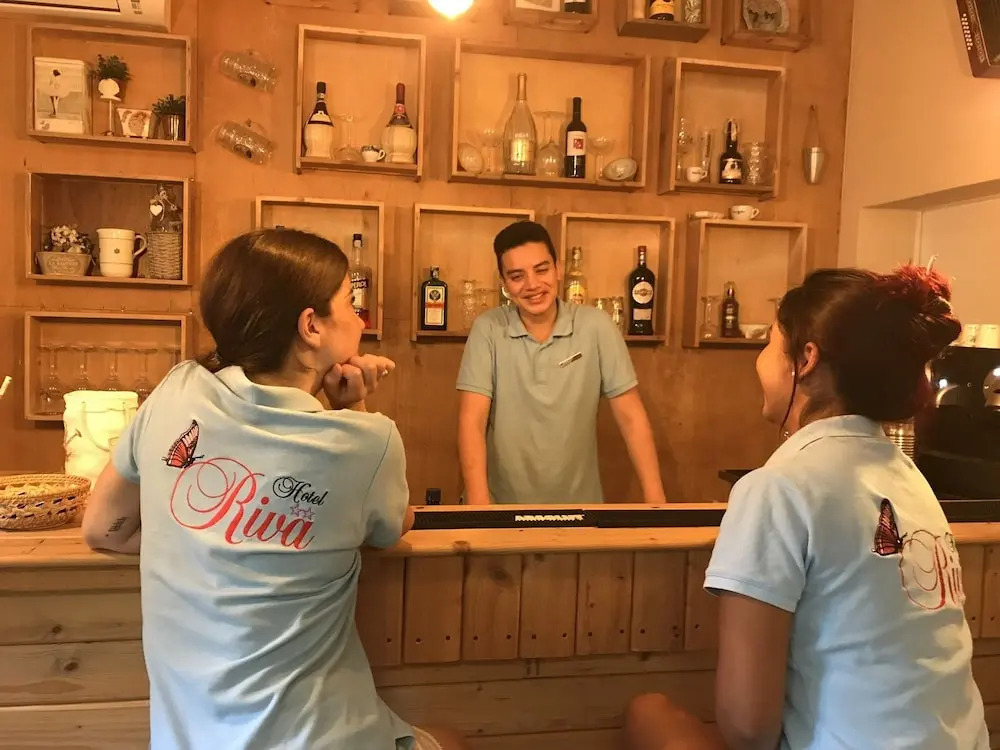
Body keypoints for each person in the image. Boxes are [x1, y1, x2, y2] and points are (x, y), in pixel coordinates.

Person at [82, 229, 466, 750]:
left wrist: (201, 540)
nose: (360, 319)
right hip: (325, 740)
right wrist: (352, 407)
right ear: (311, 326)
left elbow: (103, 528)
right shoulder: (367, 442)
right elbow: (393, 527)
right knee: (453, 738)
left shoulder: (178, 391)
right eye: (349, 304)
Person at [625, 265, 989, 750]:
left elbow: (748, 728)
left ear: (805, 359)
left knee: (647, 714)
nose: (759, 362)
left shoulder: (776, 490)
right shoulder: (909, 477)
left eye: (769, 344)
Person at [457, 220, 665, 505]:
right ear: (503, 283)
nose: (532, 285)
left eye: (541, 270)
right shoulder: (488, 329)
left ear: (558, 269)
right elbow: (472, 422)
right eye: (517, 276)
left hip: (580, 509)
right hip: (501, 508)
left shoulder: (597, 326)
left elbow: (631, 418)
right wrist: (480, 509)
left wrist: (656, 502)